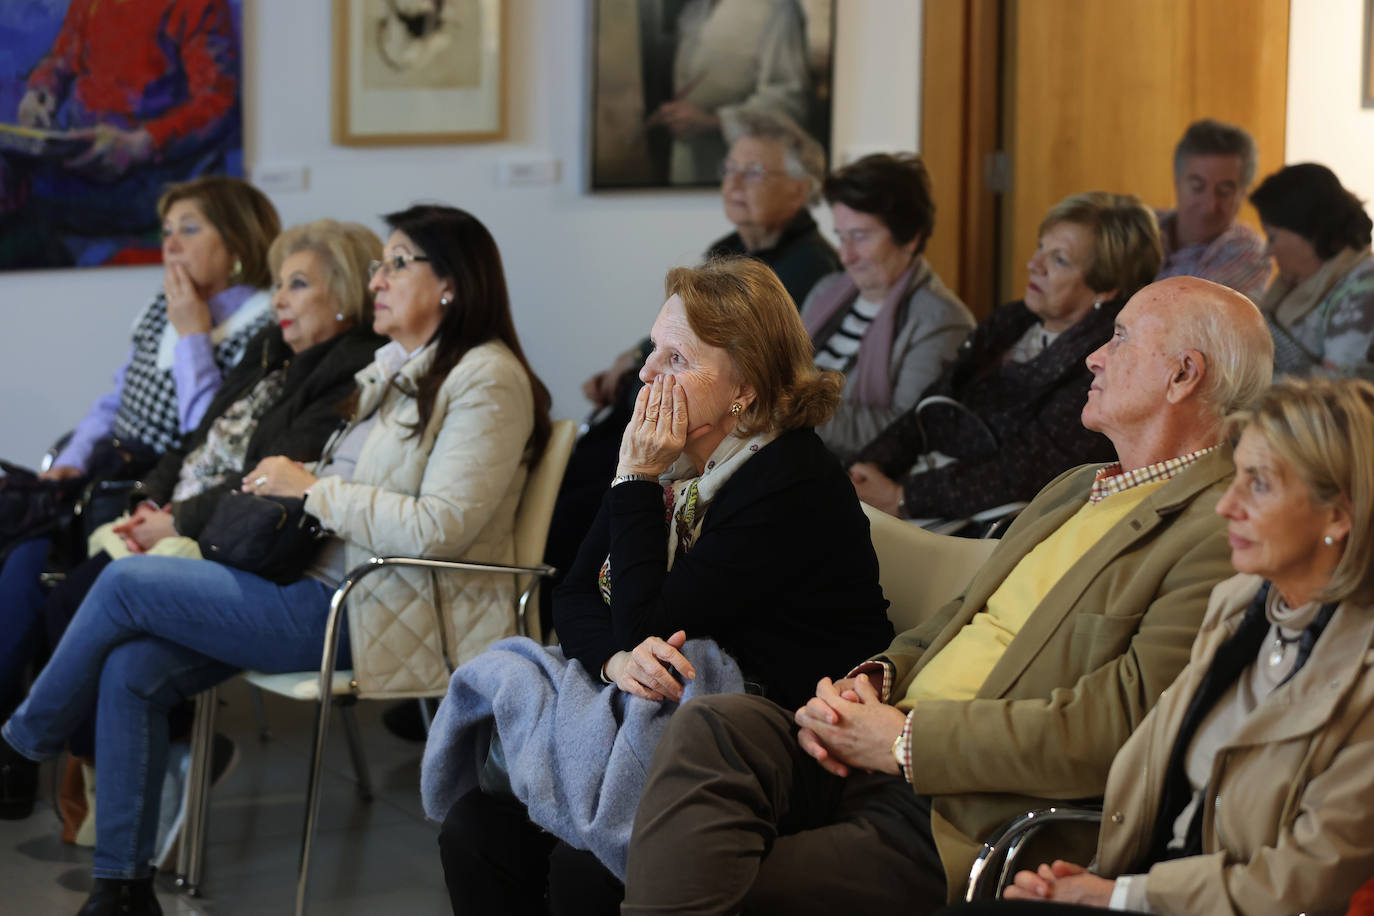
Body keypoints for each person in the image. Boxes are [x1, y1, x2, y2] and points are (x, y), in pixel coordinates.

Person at [616, 276, 1275, 915]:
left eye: (1122, 338)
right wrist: (873, 680)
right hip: (874, 748)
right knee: (717, 723)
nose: (1094, 356)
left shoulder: (1218, 531)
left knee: (719, 885)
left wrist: (907, 741)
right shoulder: (1077, 487)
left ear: (1183, 375)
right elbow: (956, 620)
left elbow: (1119, 728)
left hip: (965, 806)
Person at [0, 204, 551, 915]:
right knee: (133, 667)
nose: (377, 279)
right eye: (378, 263)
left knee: (126, 582)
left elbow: (439, 526)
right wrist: (296, 484)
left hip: (371, 605)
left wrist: (315, 488)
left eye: (397, 263)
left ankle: (21, 743)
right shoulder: (402, 368)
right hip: (314, 584)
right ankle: (123, 886)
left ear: (451, 283)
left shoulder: (485, 378)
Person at [431, 256, 894, 915]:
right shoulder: (681, 458)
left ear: (746, 386)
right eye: (653, 349)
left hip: (770, 741)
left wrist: (635, 484)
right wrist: (618, 661)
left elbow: (650, 619)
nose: (647, 372)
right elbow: (575, 595)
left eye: (675, 359)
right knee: (474, 829)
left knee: (580, 867)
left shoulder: (790, 479)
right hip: (665, 716)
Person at [0, 218, 385, 852]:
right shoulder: (278, 351)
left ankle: (25, 744)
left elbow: (259, 478)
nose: (279, 299)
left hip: (293, 576)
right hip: (217, 528)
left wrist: (174, 517)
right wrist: (151, 496)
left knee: (99, 590)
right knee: (105, 635)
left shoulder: (348, 375)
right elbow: (198, 439)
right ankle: (120, 879)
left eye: (296, 285)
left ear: (344, 294)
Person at [948, 377, 1374, 915]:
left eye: (1259, 485)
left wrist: (1119, 893)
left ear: (1339, 514)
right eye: (1235, 476)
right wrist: (1096, 879)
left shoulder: (1365, 674)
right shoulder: (1241, 603)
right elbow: (1160, 783)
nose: (1227, 506)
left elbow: (1299, 885)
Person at [0, 175, 279, 725]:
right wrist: (74, 457)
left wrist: (195, 335)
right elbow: (115, 399)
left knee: (41, 576)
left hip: (161, 484)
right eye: (167, 230)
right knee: (18, 557)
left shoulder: (263, 323)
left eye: (189, 229)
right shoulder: (163, 306)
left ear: (239, 241)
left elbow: (210, 436)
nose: (170, 245)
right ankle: (20, 739)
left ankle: (30, 742)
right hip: (104, 467)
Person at [848, 192, 1162, 526]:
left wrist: (903, 496)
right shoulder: (1014, 320)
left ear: (1107, 288)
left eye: (1059, 260)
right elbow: (933, 404)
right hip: (920, 488)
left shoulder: (1106, 362)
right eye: (1041, 246)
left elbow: (1027, 470)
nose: (1033, 264)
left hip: (983, 524)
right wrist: (868, 468)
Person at [13, 0, 240, 241]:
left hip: (154, 176)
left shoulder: (198, 4)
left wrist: (141, 144)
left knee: (22, 211)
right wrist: (40, 91)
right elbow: (63, 56)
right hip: (82, 161)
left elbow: (218, 102)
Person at [801, 152, 974, 459]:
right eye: (841, 237)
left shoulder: (943, 322)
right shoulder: (825, 291)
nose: (846, 255)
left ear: (909, 237)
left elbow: (904, 431)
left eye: (860, 237)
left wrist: (791, 404)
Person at [649, 0, 811, 185]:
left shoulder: (778, 7)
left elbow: (790, 99)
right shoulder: (694, 9)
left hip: (747, 175)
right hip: (688, 167)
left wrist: (714, 123)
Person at [1250, 162, 1374, 379]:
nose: (1267, 252)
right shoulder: (1295, 281)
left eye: (1272, 237)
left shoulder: (1364, 288)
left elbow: (1342, 390)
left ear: (1306, 231)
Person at [1154, 118, 1272, 301]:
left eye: (1224, 192)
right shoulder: (1142, 227)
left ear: (1243, 193)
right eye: (1197, 187)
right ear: (1177, 182)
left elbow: (1182, 313)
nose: (1210, 205)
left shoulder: (1249, 254)